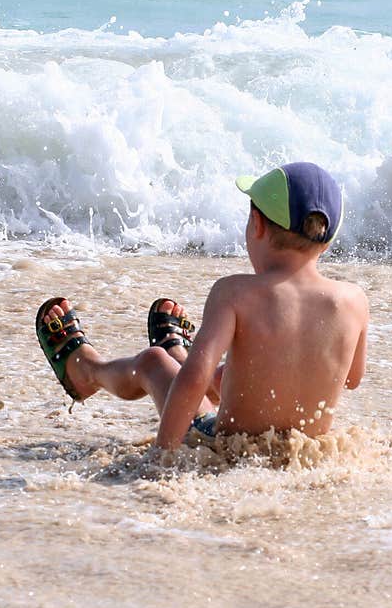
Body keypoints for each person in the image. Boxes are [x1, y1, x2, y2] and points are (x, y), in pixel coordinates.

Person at [35, 162, 368, 450]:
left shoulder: (235, 292)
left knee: (153, 363)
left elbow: (195, 379)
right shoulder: (353, 301)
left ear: (258, 224)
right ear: (327, 240)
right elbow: (351, 379)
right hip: (299, 450)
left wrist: (163, 453)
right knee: (231, 375)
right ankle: (180, 354)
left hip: (227, 445)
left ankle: (86, 373)